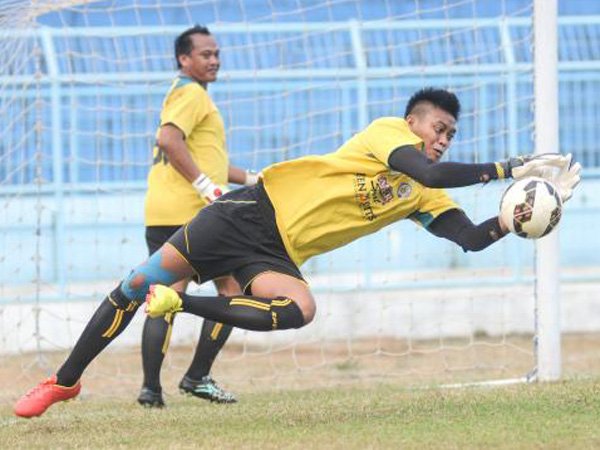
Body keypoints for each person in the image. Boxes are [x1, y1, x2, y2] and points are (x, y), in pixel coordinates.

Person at [14, 87, 580, 418]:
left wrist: (522, 216)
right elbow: (429, 168)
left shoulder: (423, 196)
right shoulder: (389, 135)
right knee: (134, 284)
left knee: (301, 310)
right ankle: (63, 382)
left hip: (278, 253)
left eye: (452, 133)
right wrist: (507, 168)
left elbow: (471, 237)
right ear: (413, 123)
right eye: (440, 127)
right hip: (248, 212)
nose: (444, 138)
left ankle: (179, 306)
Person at [139, 25, 261, 407]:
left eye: (216, 53)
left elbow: (205, 158)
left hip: (161, 211)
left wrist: (255, 178)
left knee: (165, 296)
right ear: (184, 59)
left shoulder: (178, 93)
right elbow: (168, 140)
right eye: (205, 54)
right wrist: (205, 186)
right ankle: (197, 376)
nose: (214, 60)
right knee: (233, 291)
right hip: (195, 215)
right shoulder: (192, 94)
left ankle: (150, 391)